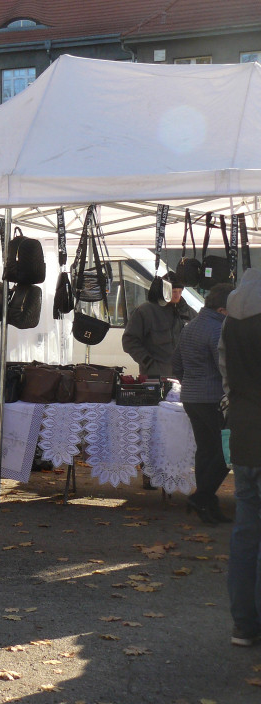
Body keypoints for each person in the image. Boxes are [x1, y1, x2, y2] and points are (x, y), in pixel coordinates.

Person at [219, 268, 261, 647]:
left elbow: (226, 377)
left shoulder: (230, 322)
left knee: (246, 534)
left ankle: (244, 625)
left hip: (245, 432)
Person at [173, 283, 234, 524]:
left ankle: (208, 507)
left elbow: (176, 363)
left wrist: (190, 383)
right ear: (222, 309)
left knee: (206, 450)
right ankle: (202, 497)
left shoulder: (191, 326)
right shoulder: (217, 329)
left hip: (191, 397)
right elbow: (224, 367)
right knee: (224, 453)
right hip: (214, 399)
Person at [122, 272, 196, 377]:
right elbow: (129, 341)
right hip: (155, 376)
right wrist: (148, 363)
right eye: (174, 291)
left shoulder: (189, 312)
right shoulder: (145, 311)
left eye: (180, 291)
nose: (177, 295)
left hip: (184, 376)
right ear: (164, 291)